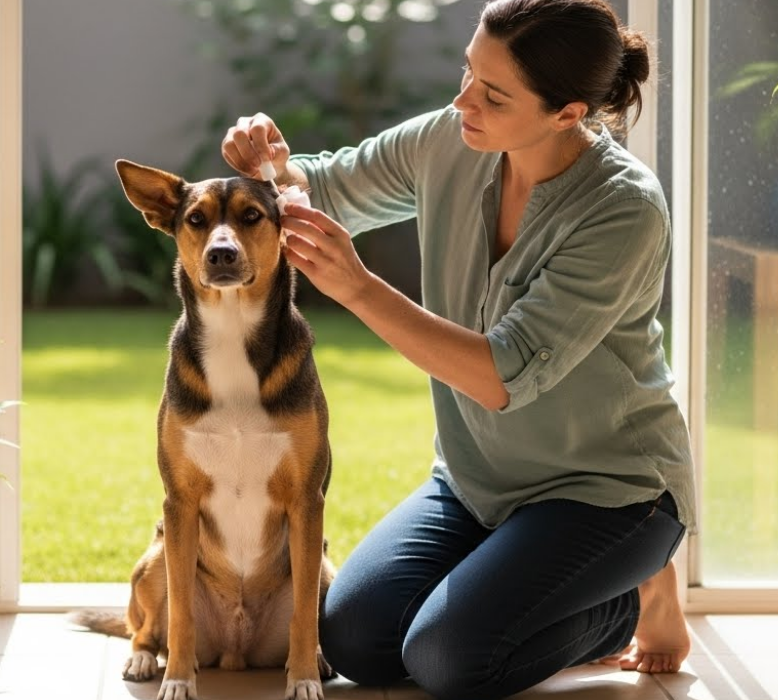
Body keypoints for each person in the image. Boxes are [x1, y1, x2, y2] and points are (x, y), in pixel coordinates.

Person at [220, 0, 695, 698]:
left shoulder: (624, 208)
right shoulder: (452, 140)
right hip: (477, 484)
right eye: (468, 71)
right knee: (354, 638)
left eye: (492, 94)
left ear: (567, 113)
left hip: (609, 494)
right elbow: (330, 186)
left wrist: (359, 289)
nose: (462, 99)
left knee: (452, 660)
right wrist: (274, 168)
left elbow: (501, 374)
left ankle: (632, 599)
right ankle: (517, 575)